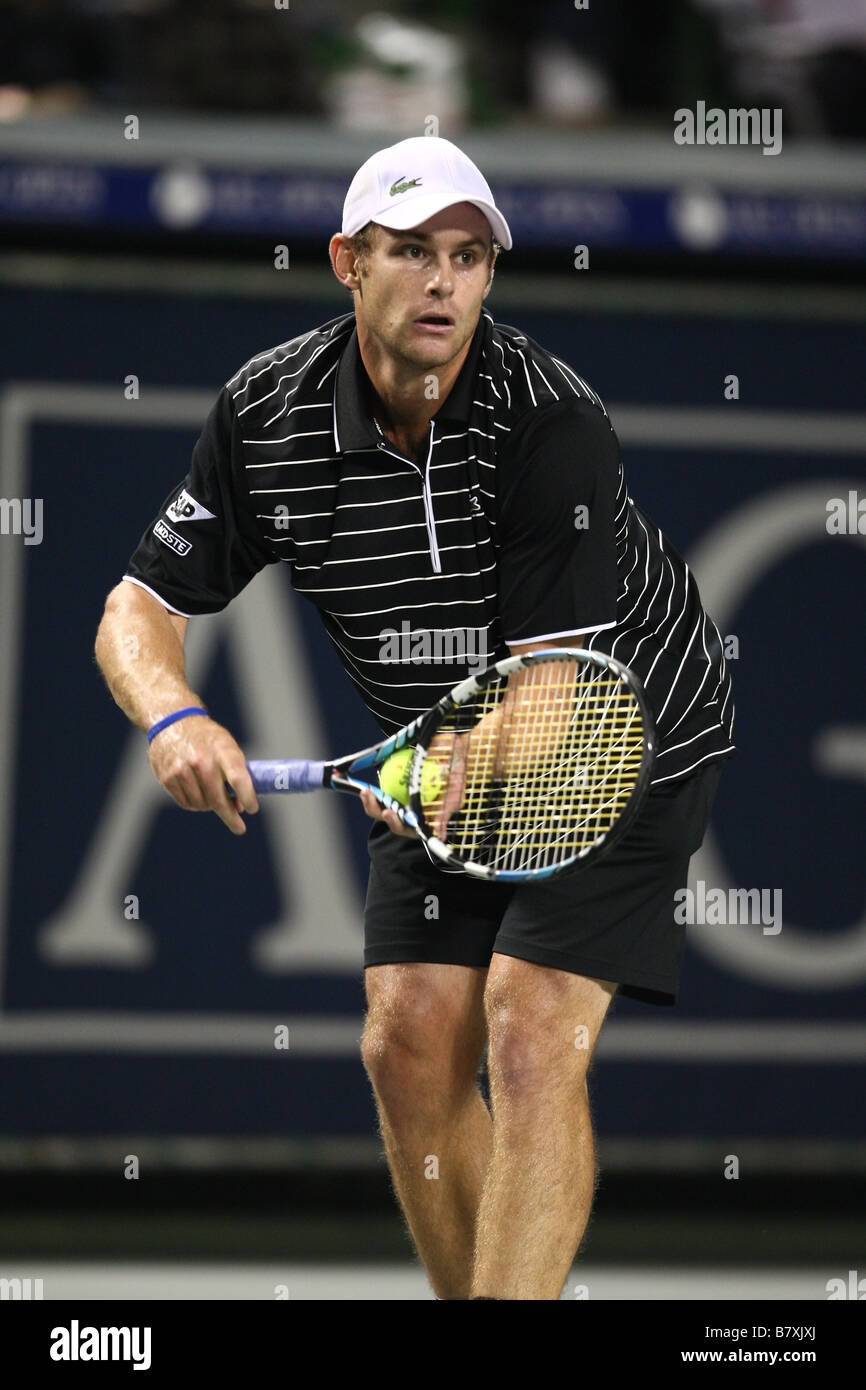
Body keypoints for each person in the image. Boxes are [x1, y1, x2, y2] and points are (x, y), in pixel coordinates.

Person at [95, 135, 734, 1301]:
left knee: (531, 1027)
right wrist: (172, 717)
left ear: (489, 275)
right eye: (409, 252)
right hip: (442, 740)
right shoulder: (267, 414)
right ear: (347, 262)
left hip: (619, 731)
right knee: (404, 1045)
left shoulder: (550, 424)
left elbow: (551, 699)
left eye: (467, 257)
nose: (442, 281)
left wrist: (456, 762)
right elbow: (136, 605)